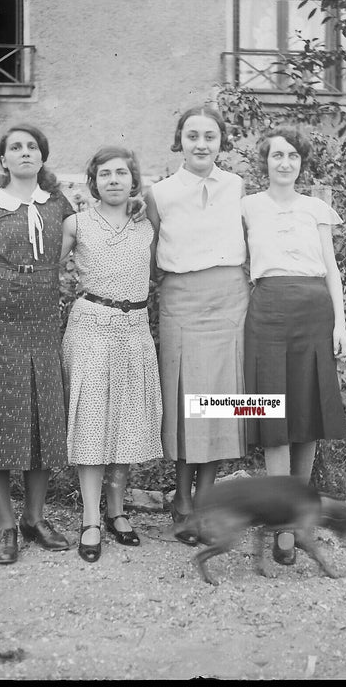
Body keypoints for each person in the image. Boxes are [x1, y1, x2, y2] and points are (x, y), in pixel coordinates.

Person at [0, 124, 73, 564]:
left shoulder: (58, 204)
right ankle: (6, 526)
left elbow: (91, 234)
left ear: (42, 156)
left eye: (32, 147)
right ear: (3, 160)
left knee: (42, 415)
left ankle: (34, 518)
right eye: (15, 148)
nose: (25, 153)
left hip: (41, 319)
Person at [241, 124, 346, 566]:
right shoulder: (247, 206)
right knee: (272, 413)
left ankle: (296, 524)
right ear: (264, 162)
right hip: (266, 310)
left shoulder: (316, 208)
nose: (284, 163)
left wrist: (340, 324)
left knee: (307, 412)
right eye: (276, 156)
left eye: (292, 156)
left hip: (314, 313)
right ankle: (279, 522)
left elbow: (332, 270)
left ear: (301, 163)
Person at [144, 105, 250, 546]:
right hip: (181, 301)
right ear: (179, 141)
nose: (201, 144)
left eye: (209, 136)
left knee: (222, 401)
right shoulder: (159, 193)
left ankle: (204, 502)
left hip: (229, 300)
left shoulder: (238, 186)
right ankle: (181, 501)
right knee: (187, 401)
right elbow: (147, 254)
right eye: (192, 136)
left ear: (221, 141)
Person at [60, 146, 163, 563]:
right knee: (91, 421)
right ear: (93, 181)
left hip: (135, 329)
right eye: (105, 174)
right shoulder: (77, 223)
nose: (114, 180)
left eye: (122, 173)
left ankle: (117, 511)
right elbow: (43, 267)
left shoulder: (147, 223)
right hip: (90, 326)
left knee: (127, 420)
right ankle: (90, 518)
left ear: (134, 180)